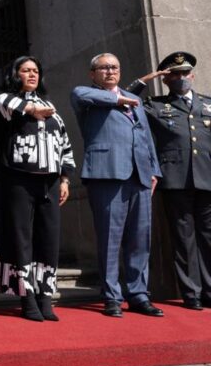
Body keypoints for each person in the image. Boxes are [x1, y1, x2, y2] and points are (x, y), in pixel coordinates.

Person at [70, 53, 163, 318]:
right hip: (107, 175)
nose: (110, 71)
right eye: (104, 68)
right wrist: (120, 96)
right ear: (93, 73)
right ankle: (111, 295)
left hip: (141, 176)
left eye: (115, 67)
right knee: (111, 239)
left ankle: (138, 294)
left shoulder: (135, 102)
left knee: (140, 239)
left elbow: (145, 136)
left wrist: (153, 170)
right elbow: (84, 96)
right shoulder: (85, 95)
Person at [126, 51, 211, 310]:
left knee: (209, 238)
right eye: (174, 74)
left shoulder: (208, 104)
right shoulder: (155, 104)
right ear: (165, 79)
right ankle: (192, 293)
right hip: (176, 180)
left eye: (185, 73)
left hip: (207, 178)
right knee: (183, 239)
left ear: (193, 75)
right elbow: (128, 99)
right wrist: (146, 79)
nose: (181, 78)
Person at [0, 56, 76, 321]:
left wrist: (64, 179)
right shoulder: (7, 100)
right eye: (25, 70)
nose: (31, 74)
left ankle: (45, 297)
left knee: (48, 239)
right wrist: (31, 110)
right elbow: (8, 103)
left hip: (50, 182)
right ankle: (26, 298)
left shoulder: (50, 106)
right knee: (22, 239)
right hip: (20, 179)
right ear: (15, 74)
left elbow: (64, 143)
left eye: (35, 71)